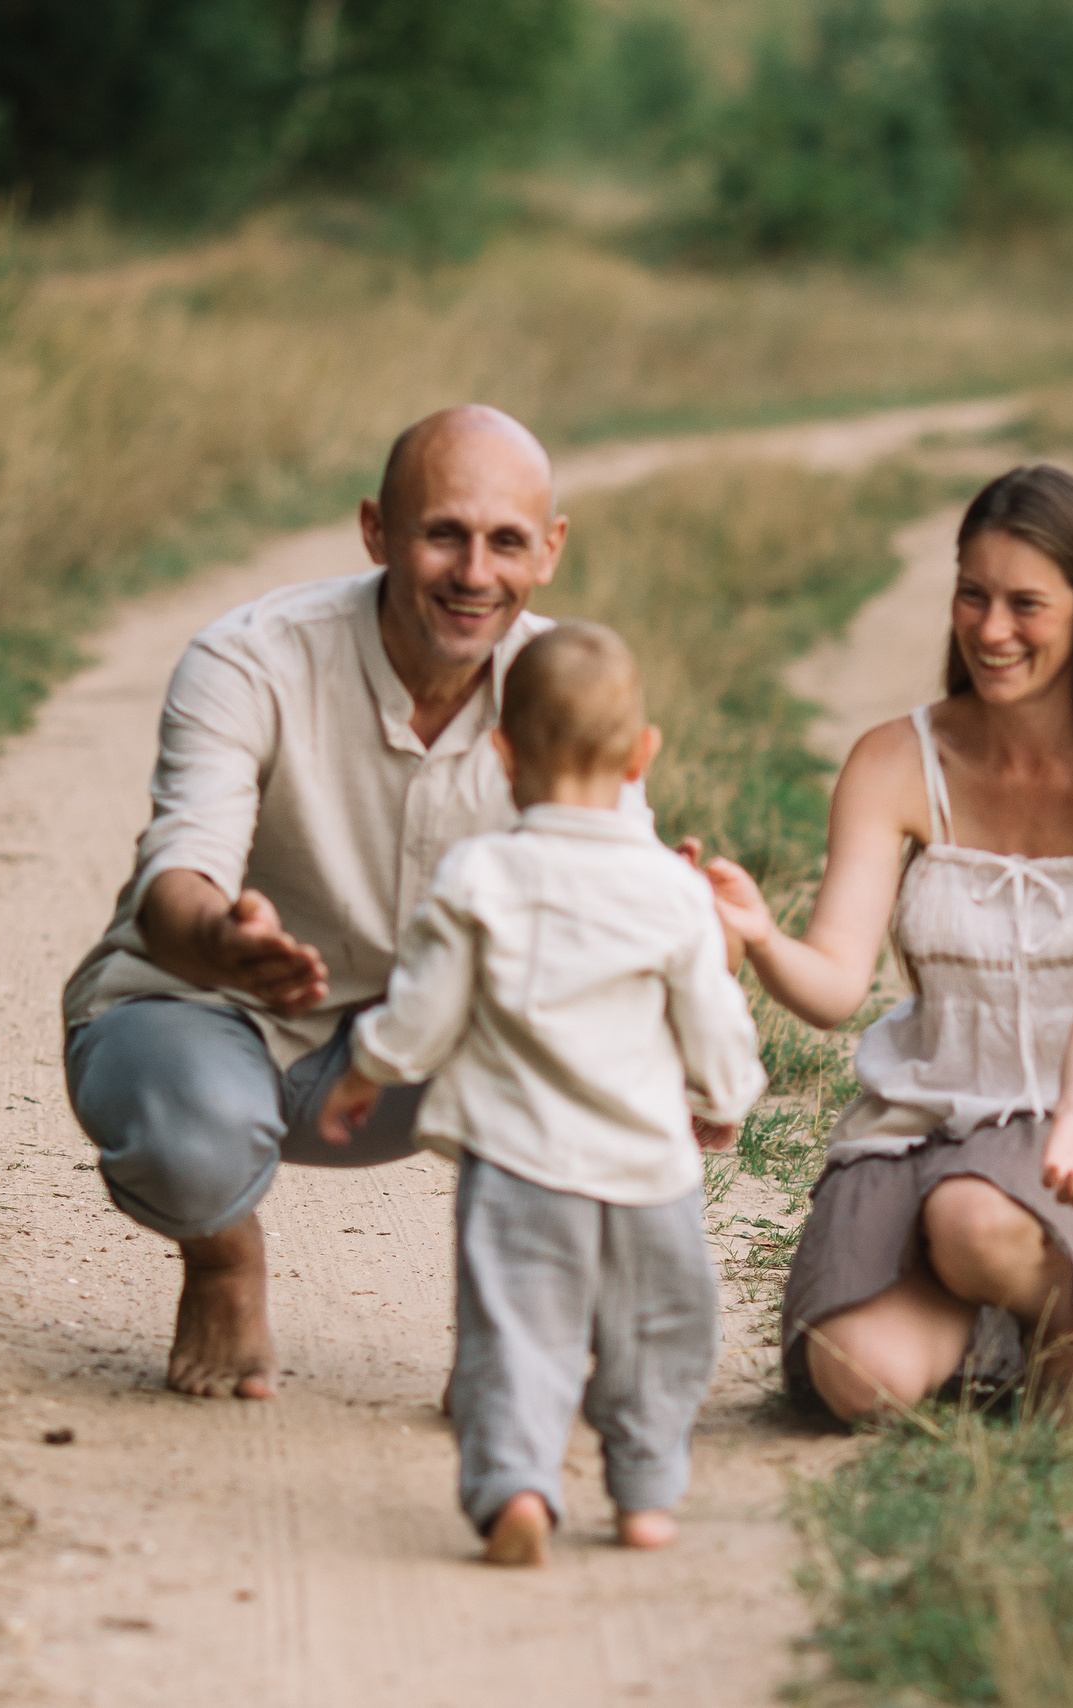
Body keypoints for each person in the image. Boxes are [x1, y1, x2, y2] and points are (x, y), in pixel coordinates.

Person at [698, 463, 1073, 1426]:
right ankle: (1005, 1344)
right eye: (972, 595)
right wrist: (761, 935)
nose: (991, 630)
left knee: (968, 1220)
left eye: (1026, 604)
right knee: (848, 1375)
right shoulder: (895, 760)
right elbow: (835, 985)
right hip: (925, 1121)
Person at [59, 405, 582, 1400]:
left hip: (424, 1053)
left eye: (507, 541)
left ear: (550, 550)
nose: (475, 573)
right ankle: (223, 1259)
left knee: (592, 1036)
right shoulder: (249, 658)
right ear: (377, 531)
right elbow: (180, 878)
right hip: (219, 1016)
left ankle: (505, 1340)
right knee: (187, 1139)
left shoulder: (569, 685)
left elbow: (615, 909)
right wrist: (221, 943)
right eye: (443, 535)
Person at [316, 622, 764, 1566]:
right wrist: (721, 1098)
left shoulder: (480, 876)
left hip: (518, 1164)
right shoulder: (673, 890)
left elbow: (424, 1010)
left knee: (515, 1332)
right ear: (641, 756)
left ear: (504, 754)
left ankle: (518, 1483)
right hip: (647, 1171)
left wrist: (365, 1073)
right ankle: (645, 1495)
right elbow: (713, 1017)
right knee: (658, 1328)